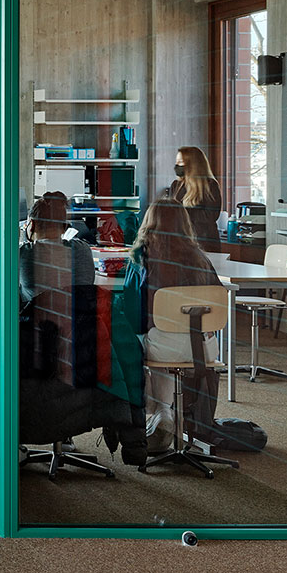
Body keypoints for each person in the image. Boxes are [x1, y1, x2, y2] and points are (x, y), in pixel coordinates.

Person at [115, 197, 222, 452]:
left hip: (162, 346)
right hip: (204, 349)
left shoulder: (142, 257)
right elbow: (218, 303)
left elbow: (132, 313)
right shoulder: (200, 258)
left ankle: (160, 411)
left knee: (137, 341)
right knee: (157, 340)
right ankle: (167, 414)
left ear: (149, 223)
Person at [18, 191, 94, 307]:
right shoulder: (82, 249)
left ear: (31, 225)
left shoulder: (23, 253)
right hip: (77, 322)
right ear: (64, 227)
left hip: (35, 322)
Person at [165, 145, 224, 249]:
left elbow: (211, 215)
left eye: (180, 162)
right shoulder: (176, 185)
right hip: (180, 240)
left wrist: (182, 212)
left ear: (192, 164)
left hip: (203, 242)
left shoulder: (210, 185)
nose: (176, 165)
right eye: (176, 161)